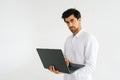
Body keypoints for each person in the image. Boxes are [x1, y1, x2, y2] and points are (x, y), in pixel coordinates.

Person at [49, 8, 99, 80]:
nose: (70, 25)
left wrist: (70, 71)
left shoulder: (89, 38)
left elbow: (91, 67)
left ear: (79, 19)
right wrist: (58, 68)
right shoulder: (68, 39)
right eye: (67, 22)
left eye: (72, 20)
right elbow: (66, 61)